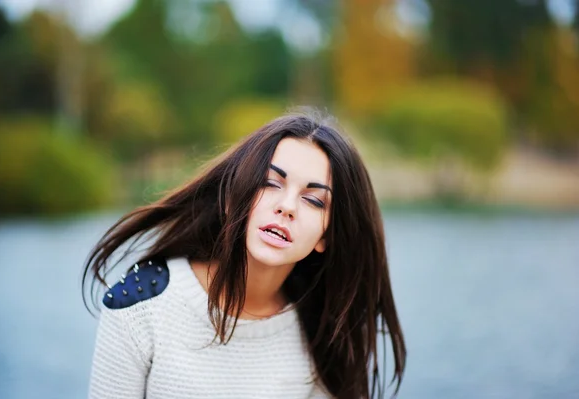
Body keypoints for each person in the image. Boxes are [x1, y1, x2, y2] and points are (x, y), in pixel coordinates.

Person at [82, 110, 406, 399]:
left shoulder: (322, 336)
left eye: (314, 200)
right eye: (270, 182)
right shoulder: (139, 306)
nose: (287, 206)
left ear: (327, 236)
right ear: (232, 197)